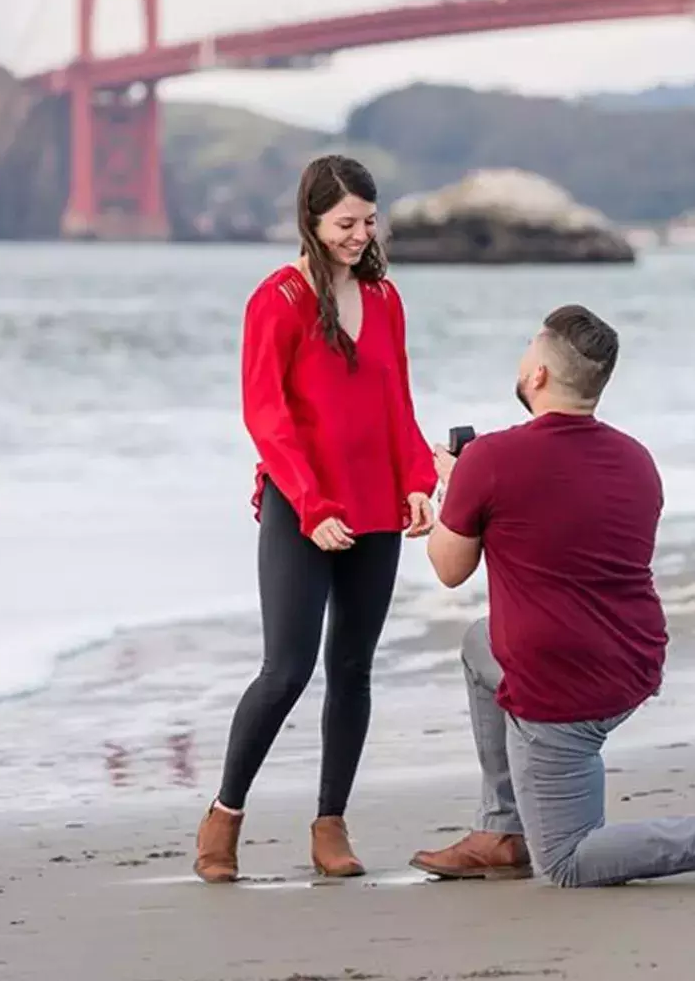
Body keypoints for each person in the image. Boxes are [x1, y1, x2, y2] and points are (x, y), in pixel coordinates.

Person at [408, 304, 695, 888]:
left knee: (566, 862)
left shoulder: (490, 460)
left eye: (529, 346)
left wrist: (452, 488)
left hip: (560, 686)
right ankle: (504, 830)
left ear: (537, 376)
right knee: (478, 644)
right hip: (632, 660)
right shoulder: (636, 458)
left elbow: (447, 568)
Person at [194, 155, 438, 884]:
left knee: (353, 669)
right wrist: (313, 506)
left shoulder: (385, 299)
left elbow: (396, 402)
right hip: (302, 509)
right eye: (345, 224)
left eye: (368, 221)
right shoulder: (277, 299)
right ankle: (225, 815)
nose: (360, 235)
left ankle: (330, 824)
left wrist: (419, 481)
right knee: (287, 669)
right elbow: (266, 416)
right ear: (311, 219)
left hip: (375, 510)